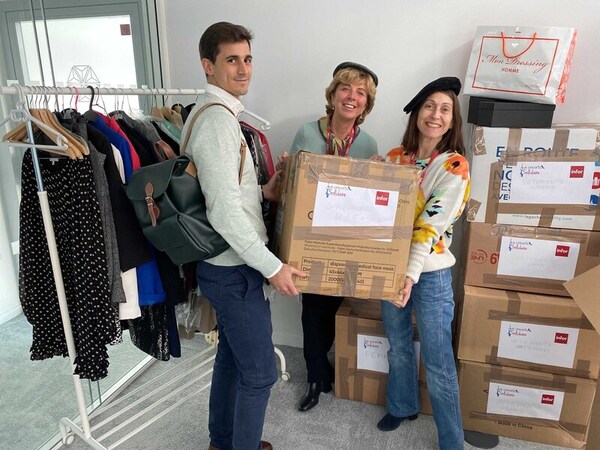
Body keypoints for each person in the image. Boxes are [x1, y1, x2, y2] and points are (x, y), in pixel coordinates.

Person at [183, 22, 305, 450]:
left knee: (232, 361)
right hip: (234, 270)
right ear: (207, 66)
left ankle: (222, 442)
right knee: (260, 374)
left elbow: (225, 193)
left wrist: (265, 189)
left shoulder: (213, 114)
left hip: (225, 266)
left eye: (247, 58)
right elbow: (223, 212)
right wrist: (272, 268)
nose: (243, 69)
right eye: (231, 60)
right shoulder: (217, 121)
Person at [377, 76, 470, 450]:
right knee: (398, 345)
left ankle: (452, 440)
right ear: (417, 113)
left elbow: (430, 226)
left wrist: (410, 275)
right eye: (429, 106)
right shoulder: (395, 157)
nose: (436, 115)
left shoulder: (454, 166)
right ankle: (402, 405)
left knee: (437, 358)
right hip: (389, 267)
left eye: (445, 109)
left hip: (429, 275)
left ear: (452, 120)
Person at [286, 61, 379, 412]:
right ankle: (314, 375)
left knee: (337, 306)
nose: (351, 97)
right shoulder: (307, 133)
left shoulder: (368, 142)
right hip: (309, 239)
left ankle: (324, 362)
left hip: (347, 241)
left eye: (360, 94)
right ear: (333, 94)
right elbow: (292, 188)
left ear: (366, 105)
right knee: (312, 309)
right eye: (346, 89)